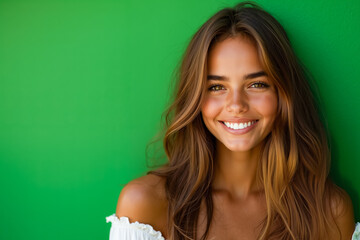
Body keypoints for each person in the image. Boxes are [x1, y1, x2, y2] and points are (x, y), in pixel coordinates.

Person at [106, 2, 358, 239]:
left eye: (257, 84)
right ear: (196, 97)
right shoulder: (145, 205)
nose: (236, 105)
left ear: (283, 94)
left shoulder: (329, 212)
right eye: (216, 87)